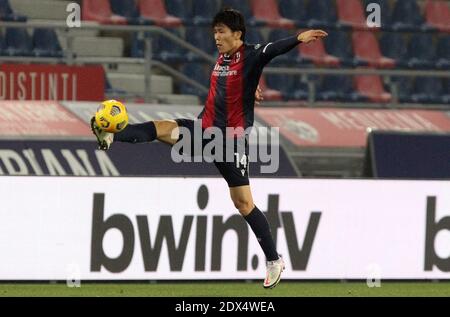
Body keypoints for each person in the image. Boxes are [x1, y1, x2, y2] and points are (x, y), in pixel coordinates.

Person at [91, 8, 327, 288]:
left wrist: (299, 38)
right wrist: (249, 88)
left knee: (243, 203)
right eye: (215, 32)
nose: (216, 37)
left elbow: (272, 50)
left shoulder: (251, 54)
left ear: (237, 34)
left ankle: (274, 259)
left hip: (229, 141)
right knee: (162, 128)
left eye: (221, 32)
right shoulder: (223, 58)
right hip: (203, 130)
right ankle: (110, 135)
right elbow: (234, 84)